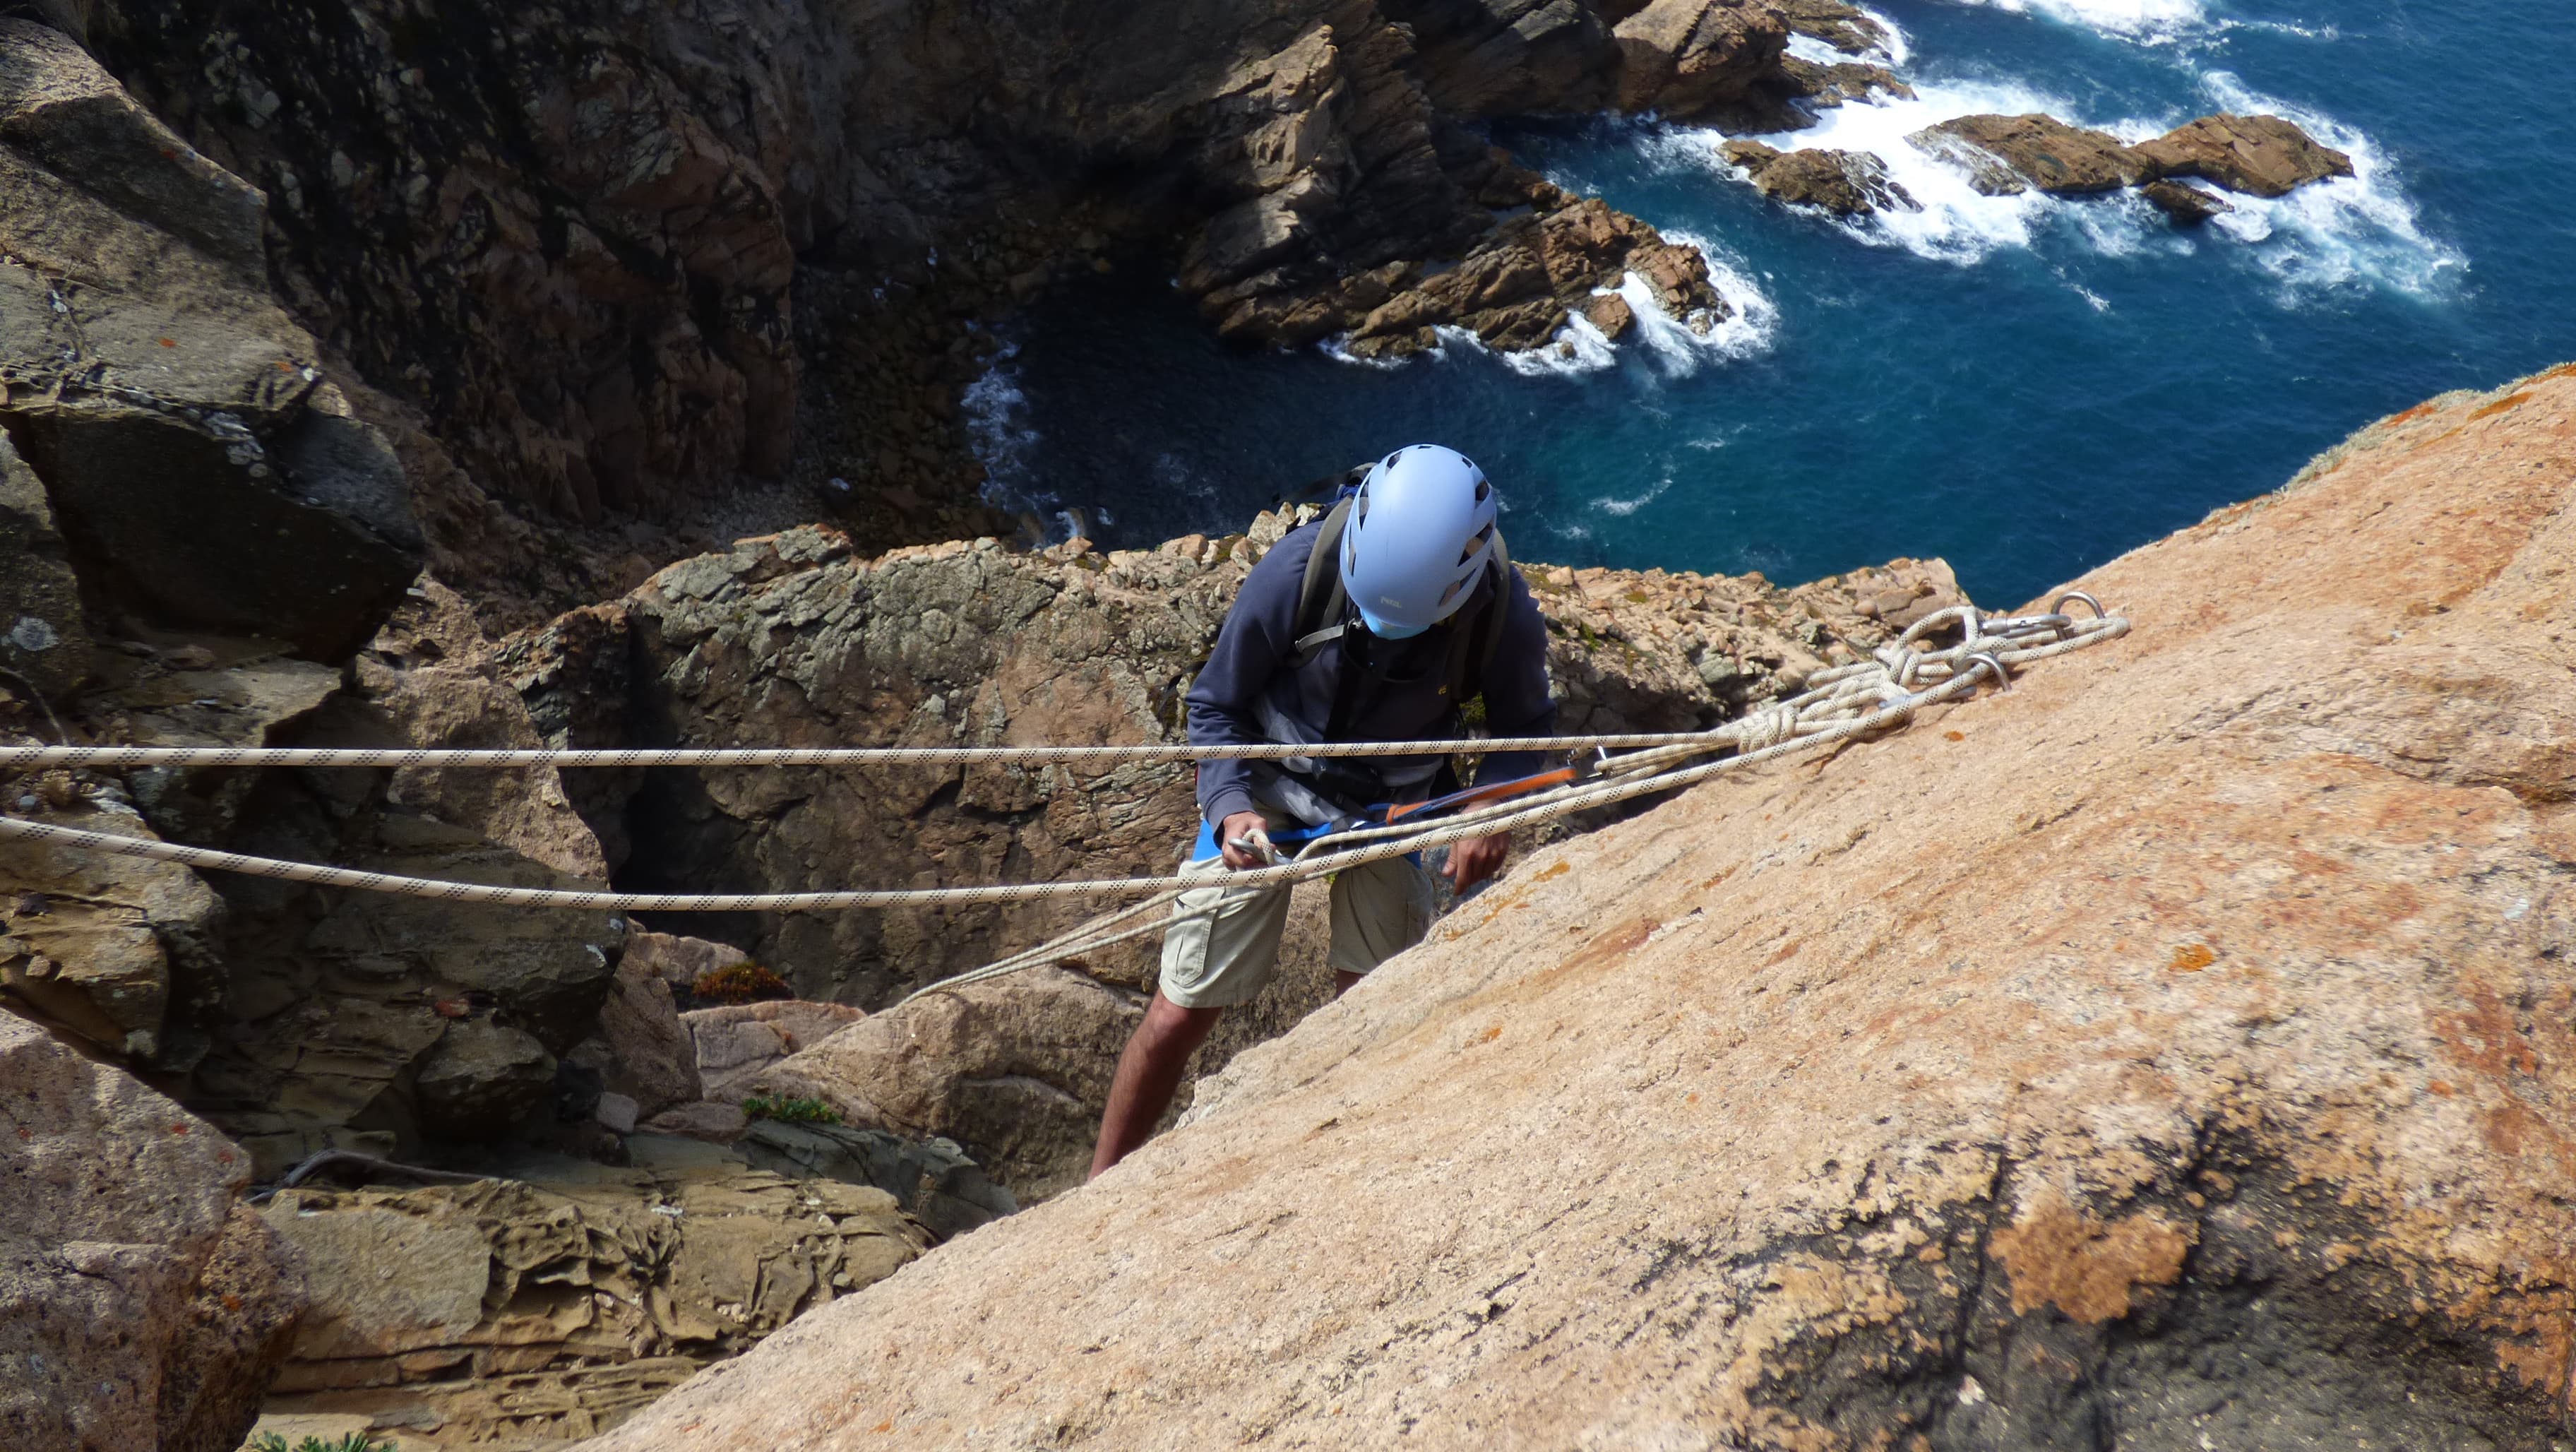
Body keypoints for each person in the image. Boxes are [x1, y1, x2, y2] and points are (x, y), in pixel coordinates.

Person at [1087, 444, 1557, 1179]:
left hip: (1392, 806)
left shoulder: (1499, 609)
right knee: (1179, 1009)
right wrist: (1230, 808)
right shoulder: (1299, 569)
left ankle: (1341, 1178)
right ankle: (1101, 1185)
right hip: (1274, 785)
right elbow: (1216, 706)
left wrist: (1489, 811)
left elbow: (1526, 730)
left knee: (1369, 1019)